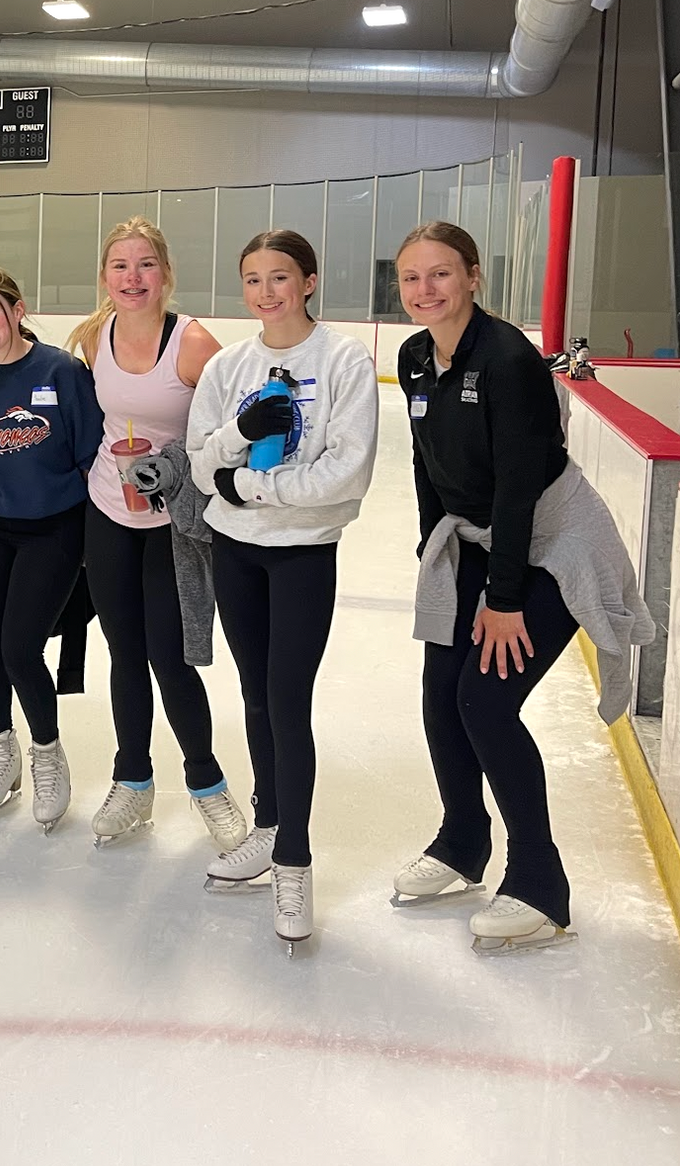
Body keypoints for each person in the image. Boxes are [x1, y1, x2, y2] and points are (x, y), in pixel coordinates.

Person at [393, 220, 651, 953]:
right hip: (477, 539)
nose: (424, 290)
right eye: (411, 277)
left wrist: (502, 600)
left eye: (440, 274)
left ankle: (539, 885)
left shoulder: (506, 360)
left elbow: (514, 491)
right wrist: (430, 552)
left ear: (473, 276)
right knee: (440, 692)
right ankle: (460, 840)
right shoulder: (416, 358)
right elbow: (426, 466)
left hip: (549, 542)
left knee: (484, 697)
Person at [186, 229, 379, 954]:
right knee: (256, 697)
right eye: (252, 280)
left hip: (300, 557)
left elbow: (345, 473)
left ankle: (293, 859)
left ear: (308, 281)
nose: (266, 292)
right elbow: (202, 462)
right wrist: (237, 436)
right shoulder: (230, 366)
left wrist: (251, 486)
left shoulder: (341, 361)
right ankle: (266, 828)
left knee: (288, 702)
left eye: (279, 277)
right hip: (235, 553)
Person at [65, 217, 245, 852]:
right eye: (120, 266)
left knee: (169, 657)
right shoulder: (94, 336)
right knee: (123, 652)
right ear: (105, 278)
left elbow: (234, 435)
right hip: (109, 515)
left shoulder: (194, 345)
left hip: (173, 526)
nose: (132, 277)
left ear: (165, 274)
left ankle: (207, 782)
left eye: (145, 265)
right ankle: (132, 778)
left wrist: (177, 474)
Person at [0, 268, 102, 833]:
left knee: (18, 649)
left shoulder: (60, 371)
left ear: (17, 310)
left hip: (54, 529)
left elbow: (91, 457)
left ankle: (46, 754)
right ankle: (1, 750)